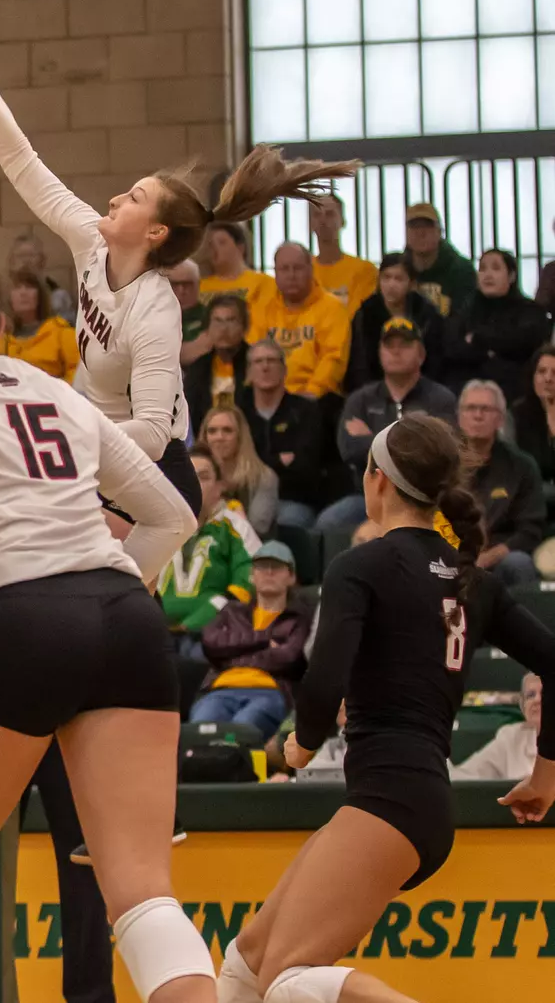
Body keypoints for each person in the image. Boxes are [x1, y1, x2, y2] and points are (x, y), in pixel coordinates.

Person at [0, 234, 211, 1003]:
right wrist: (116, 593)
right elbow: (171, 514)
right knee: (143, 896)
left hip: (20, 618)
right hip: (125, 615)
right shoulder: (56, 390)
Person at [0, 11, 354, 533]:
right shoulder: (91, 241)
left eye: (135, 197)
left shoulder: (155, 311)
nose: (115, 198)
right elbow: (23, 164)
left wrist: (68, 424)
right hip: (94, 461)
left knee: (72, 577)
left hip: (154, 484)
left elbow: (155, 434)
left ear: (156, 232)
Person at [219, 414, 555, 1003]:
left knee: (289, 982)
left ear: (377, 480)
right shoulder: (473, 581)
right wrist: (547, 774)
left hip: (389, 801)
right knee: (245, 968)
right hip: (414, 799)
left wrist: (298, 743)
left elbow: (324, 684)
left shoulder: (362, 565)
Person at [316, 318, 459, 532]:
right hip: (368, 497)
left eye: (405, 345)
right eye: (389, 346)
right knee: (329, 523)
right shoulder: (360, 399)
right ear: (380, 354)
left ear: (421, 355)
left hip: (424, 499)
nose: (396, 351)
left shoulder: (440, 399)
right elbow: (349, 450)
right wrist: (408, 443)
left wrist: (372, 439)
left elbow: (436, 455)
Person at [190, 540, 308, 739]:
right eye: (262, 567)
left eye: (277, 567)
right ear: (252, 576)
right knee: (199, 734)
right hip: (220, 690)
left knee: (239, 733)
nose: (269, 572)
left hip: (269, 692)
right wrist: (263, 641)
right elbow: (212, 643)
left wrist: (233, 654)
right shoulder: (231, 611)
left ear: (291, 577)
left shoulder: (298, 618)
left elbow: (289, 657)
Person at [456, 380, 545, 586]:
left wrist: (489, 557)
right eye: (471, 408)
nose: (478, 415)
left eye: (486, 409)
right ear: (460, 417)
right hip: (450, 551)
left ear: (500, 419)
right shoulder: (443, 462)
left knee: (519, 563)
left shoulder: (522, 466)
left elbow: (530, 530)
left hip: (500, 556)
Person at [160, 450, 255, 640]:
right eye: (187, 476)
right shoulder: (159, 525)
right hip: (155, 632)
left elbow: (248, 582)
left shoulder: (235, 527)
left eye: (203, 477)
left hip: (211, 634)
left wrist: (200, 621)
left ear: (220, 487)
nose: (193, 483)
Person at [236, 340, 326, 527]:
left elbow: (306, 466)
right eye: (258, 362)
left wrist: (258, 461)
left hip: (294, 500)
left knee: (287, 522)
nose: (265, 367)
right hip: (247, 499)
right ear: (249, 372)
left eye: (271, 360)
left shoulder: (305, 411)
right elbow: (234, 464)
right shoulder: (238, 414)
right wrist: (280, 460)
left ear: (285, 369)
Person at [443, 247, 551, 402]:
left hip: (514, 391)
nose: (487, 275)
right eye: (482, 269)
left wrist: (478, 339)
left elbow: (524, 343)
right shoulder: (465, 311)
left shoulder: (530, 311)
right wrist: (490, 352)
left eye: (495, 268)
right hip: (465, 389)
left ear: (512, 275)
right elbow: (452, 348)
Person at [246, 241, 350, 399]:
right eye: (284, 269)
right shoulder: (261, 307)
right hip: (267, 396)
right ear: (275, 272)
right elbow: (252, 354)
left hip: (318, 398)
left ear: (311, 269)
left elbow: (333, 358)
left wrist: (312, 392)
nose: (291, 275)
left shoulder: (332, 307)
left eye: (298, 268)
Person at [344, 253, 444, 394]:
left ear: (411, 284)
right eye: (386, 277)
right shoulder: (365, 314)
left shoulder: (426, 314)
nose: (391, 285)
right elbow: (359, 365)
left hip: (421, 390)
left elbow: (435, 361)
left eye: (398, 279)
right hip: (374, 391)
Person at [198, 406, 279, 536]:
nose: (219, 437)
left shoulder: (264, 477)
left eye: (227, 430)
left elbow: (257, 529)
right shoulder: (193, 476)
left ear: (240, 437)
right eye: (212, 431)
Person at [453, 672, 541, 781]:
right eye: (530, 695)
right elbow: (464, 777)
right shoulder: (512, 738)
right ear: (523, 707)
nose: (537, 700)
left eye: (545, 693)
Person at [0, 268, 79, 381]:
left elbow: (77, 375)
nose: (23, 292)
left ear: (40, 295)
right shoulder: (0, 340)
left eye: (29, 287)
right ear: (9, 297)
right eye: (17, 288)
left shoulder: (62, 332)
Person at [181, 294, 249, 428]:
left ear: (244, 327)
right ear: (207, 329)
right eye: (217, 321)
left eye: (231, 320)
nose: (223, 329)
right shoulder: (198, 369)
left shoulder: (256, 363)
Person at [308, 193, 378, 314]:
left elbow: (356, 315)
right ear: (310, 224)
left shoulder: (364, 270)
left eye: (330, 214)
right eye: (317, 215)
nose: (323, 220)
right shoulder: (303, 271)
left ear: (343, 220)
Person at [401, 202, 476, 317]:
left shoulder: (461, 271)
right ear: (406, 233)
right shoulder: (397, 270)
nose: (421, 233)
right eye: (414, 226)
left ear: (440, 232)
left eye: (428, 226)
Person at [198, 222, 277, 310]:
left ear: (240, 247)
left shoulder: (265, 283)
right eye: (211, 245)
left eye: (222, 242)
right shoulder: (199, 287)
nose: (215, 248)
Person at [511, 345, 555, 483]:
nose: (548, 378)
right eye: (541, 371)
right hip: (530, 496)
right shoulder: (517, 414)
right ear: (532, 377)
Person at [170, 259, 209, 358]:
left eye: (187, 284)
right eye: (174, 285)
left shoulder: (210, 317)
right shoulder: (154, 317)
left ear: (198, 285)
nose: (181, 291)